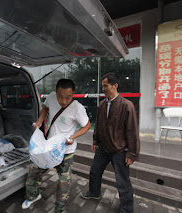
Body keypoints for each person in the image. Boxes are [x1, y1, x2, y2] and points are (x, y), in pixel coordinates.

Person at [22, 79, 91, 213]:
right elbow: (46, 108)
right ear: (55, 92)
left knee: (64, 183)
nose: (63, 101)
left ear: (73, 94)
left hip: (66, 151)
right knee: (33, 172)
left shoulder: (77, 108)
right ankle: (33, 196)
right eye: (60, 96)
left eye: (68, 97)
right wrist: (40, 121)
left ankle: (60, 209)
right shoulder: (51, 97)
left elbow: (87, 125)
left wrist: (73, 137)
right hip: (48, 148)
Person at [81, 73, 140, 213]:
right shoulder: (102, 104)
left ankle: (126, 208)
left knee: (122, 181)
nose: (103, 89)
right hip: (103, 148)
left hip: (119, 149)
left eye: (105, 86)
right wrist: (95, 140)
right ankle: (94, 192)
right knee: (95, 171)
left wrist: (132, 153)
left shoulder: (127, 105)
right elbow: (99, 125)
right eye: (102, 86)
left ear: (115, 85)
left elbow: (132, 131)